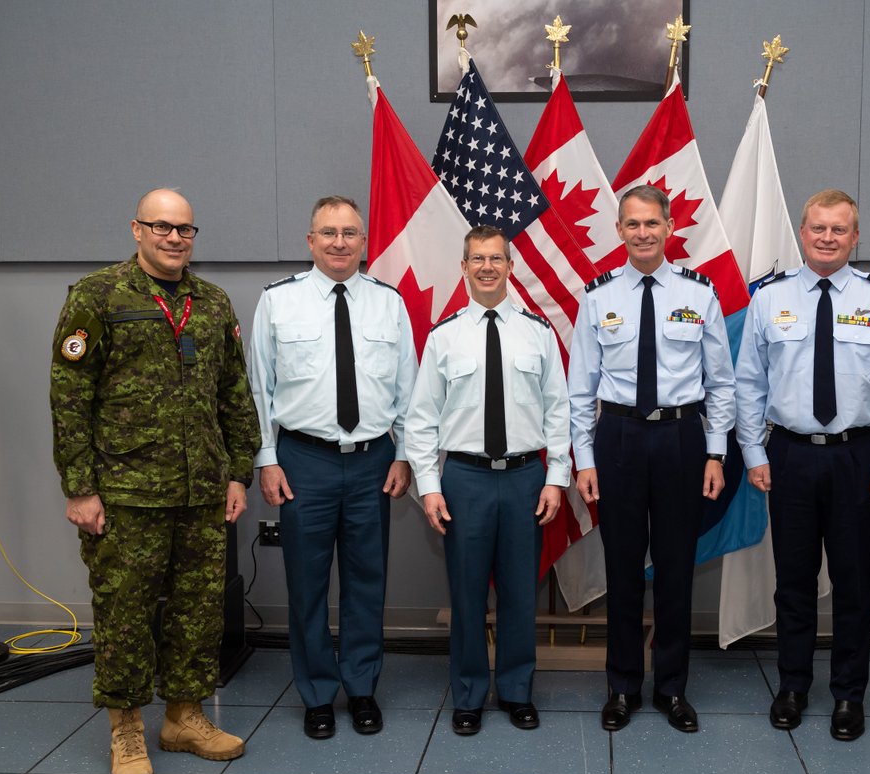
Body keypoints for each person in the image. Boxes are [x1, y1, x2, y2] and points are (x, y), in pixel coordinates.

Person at [50, 188, 260, 774]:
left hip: (200, 490)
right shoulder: (96, 298)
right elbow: (69, 398)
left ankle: (185, 718)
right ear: (137, 230)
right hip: (125, 493)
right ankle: (126, 728)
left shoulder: (212, 302)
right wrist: (80, 487)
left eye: (186, 230)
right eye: (163, 227)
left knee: (197, 612)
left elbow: (232, 393)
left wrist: (238, 470)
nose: (175, 238)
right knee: (125, 614)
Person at [735, 189, 870, 741]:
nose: (827, 237)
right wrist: (752, 451)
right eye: (818, 228)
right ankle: (793, 685)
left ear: (855, 236)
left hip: (857, 456)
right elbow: (749, 381)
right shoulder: (770, 298)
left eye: (839, 229)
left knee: (853, 582)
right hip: (788, 452)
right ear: (802, 230)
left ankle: (848, 695)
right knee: (792, 582)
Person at [247, 195, 417, 740]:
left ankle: (362, 687)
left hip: (372, 462)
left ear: (364, 242)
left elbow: (407, 389)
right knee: (307, 583)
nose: (340, 242)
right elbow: (259, 389)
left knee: (368, 582)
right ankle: (318, 694)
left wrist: (407, 454)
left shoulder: (389, 303)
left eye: (350, 233)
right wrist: (267, 459)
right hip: (304, 461)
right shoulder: (278, 302)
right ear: (310, 240)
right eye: (328, 232)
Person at [568, 184, 735, 733]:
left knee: (676, 569)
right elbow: (580, 388)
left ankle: (671, 689)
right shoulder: (597, 296)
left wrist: (715, 453)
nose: (642, 233)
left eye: (652, 223)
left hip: (681, 439)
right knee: (620, 569)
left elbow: (721, 385)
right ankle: (621, 688)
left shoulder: (699, 292)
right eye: (632, 224)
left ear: (669, 229)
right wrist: (584, 460)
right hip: (616, 437)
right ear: (619, 230)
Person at [405, 225, 570, 735]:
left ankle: (517, 690)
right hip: (465, 480)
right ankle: (470, 693)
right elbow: (421, 419)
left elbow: (558, 410)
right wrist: (429, 487)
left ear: (510, 266)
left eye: (496, 258)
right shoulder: (444, 335)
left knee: (521, 593)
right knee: (468, 593)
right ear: (463, 267)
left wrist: (556, 478)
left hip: (525, 477)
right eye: (477, 259)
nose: (486, 267)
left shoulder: (537, 332)